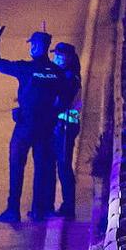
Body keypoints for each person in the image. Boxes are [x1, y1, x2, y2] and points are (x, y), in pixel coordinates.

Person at [0, 19, 65, 222]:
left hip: (25, 126)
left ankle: (13, 210)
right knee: (42, 168)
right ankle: (38, 210)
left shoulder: (25, 69)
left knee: (16, 166)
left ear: (38, 46)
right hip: (46, 128)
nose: (30, 47)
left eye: (32, 44)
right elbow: (63, 100)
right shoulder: (57, 73)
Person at [51, 42, 82, 218]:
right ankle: (66, 205)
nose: (56, 58)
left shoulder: (70, 77)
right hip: (63, 126)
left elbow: (61, 102)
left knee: (63, 166)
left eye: (59, 56)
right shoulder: (65, 74)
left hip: (66, 126)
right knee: (61, 165)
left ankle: (69, 206)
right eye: (55, 55)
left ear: (68, 58)